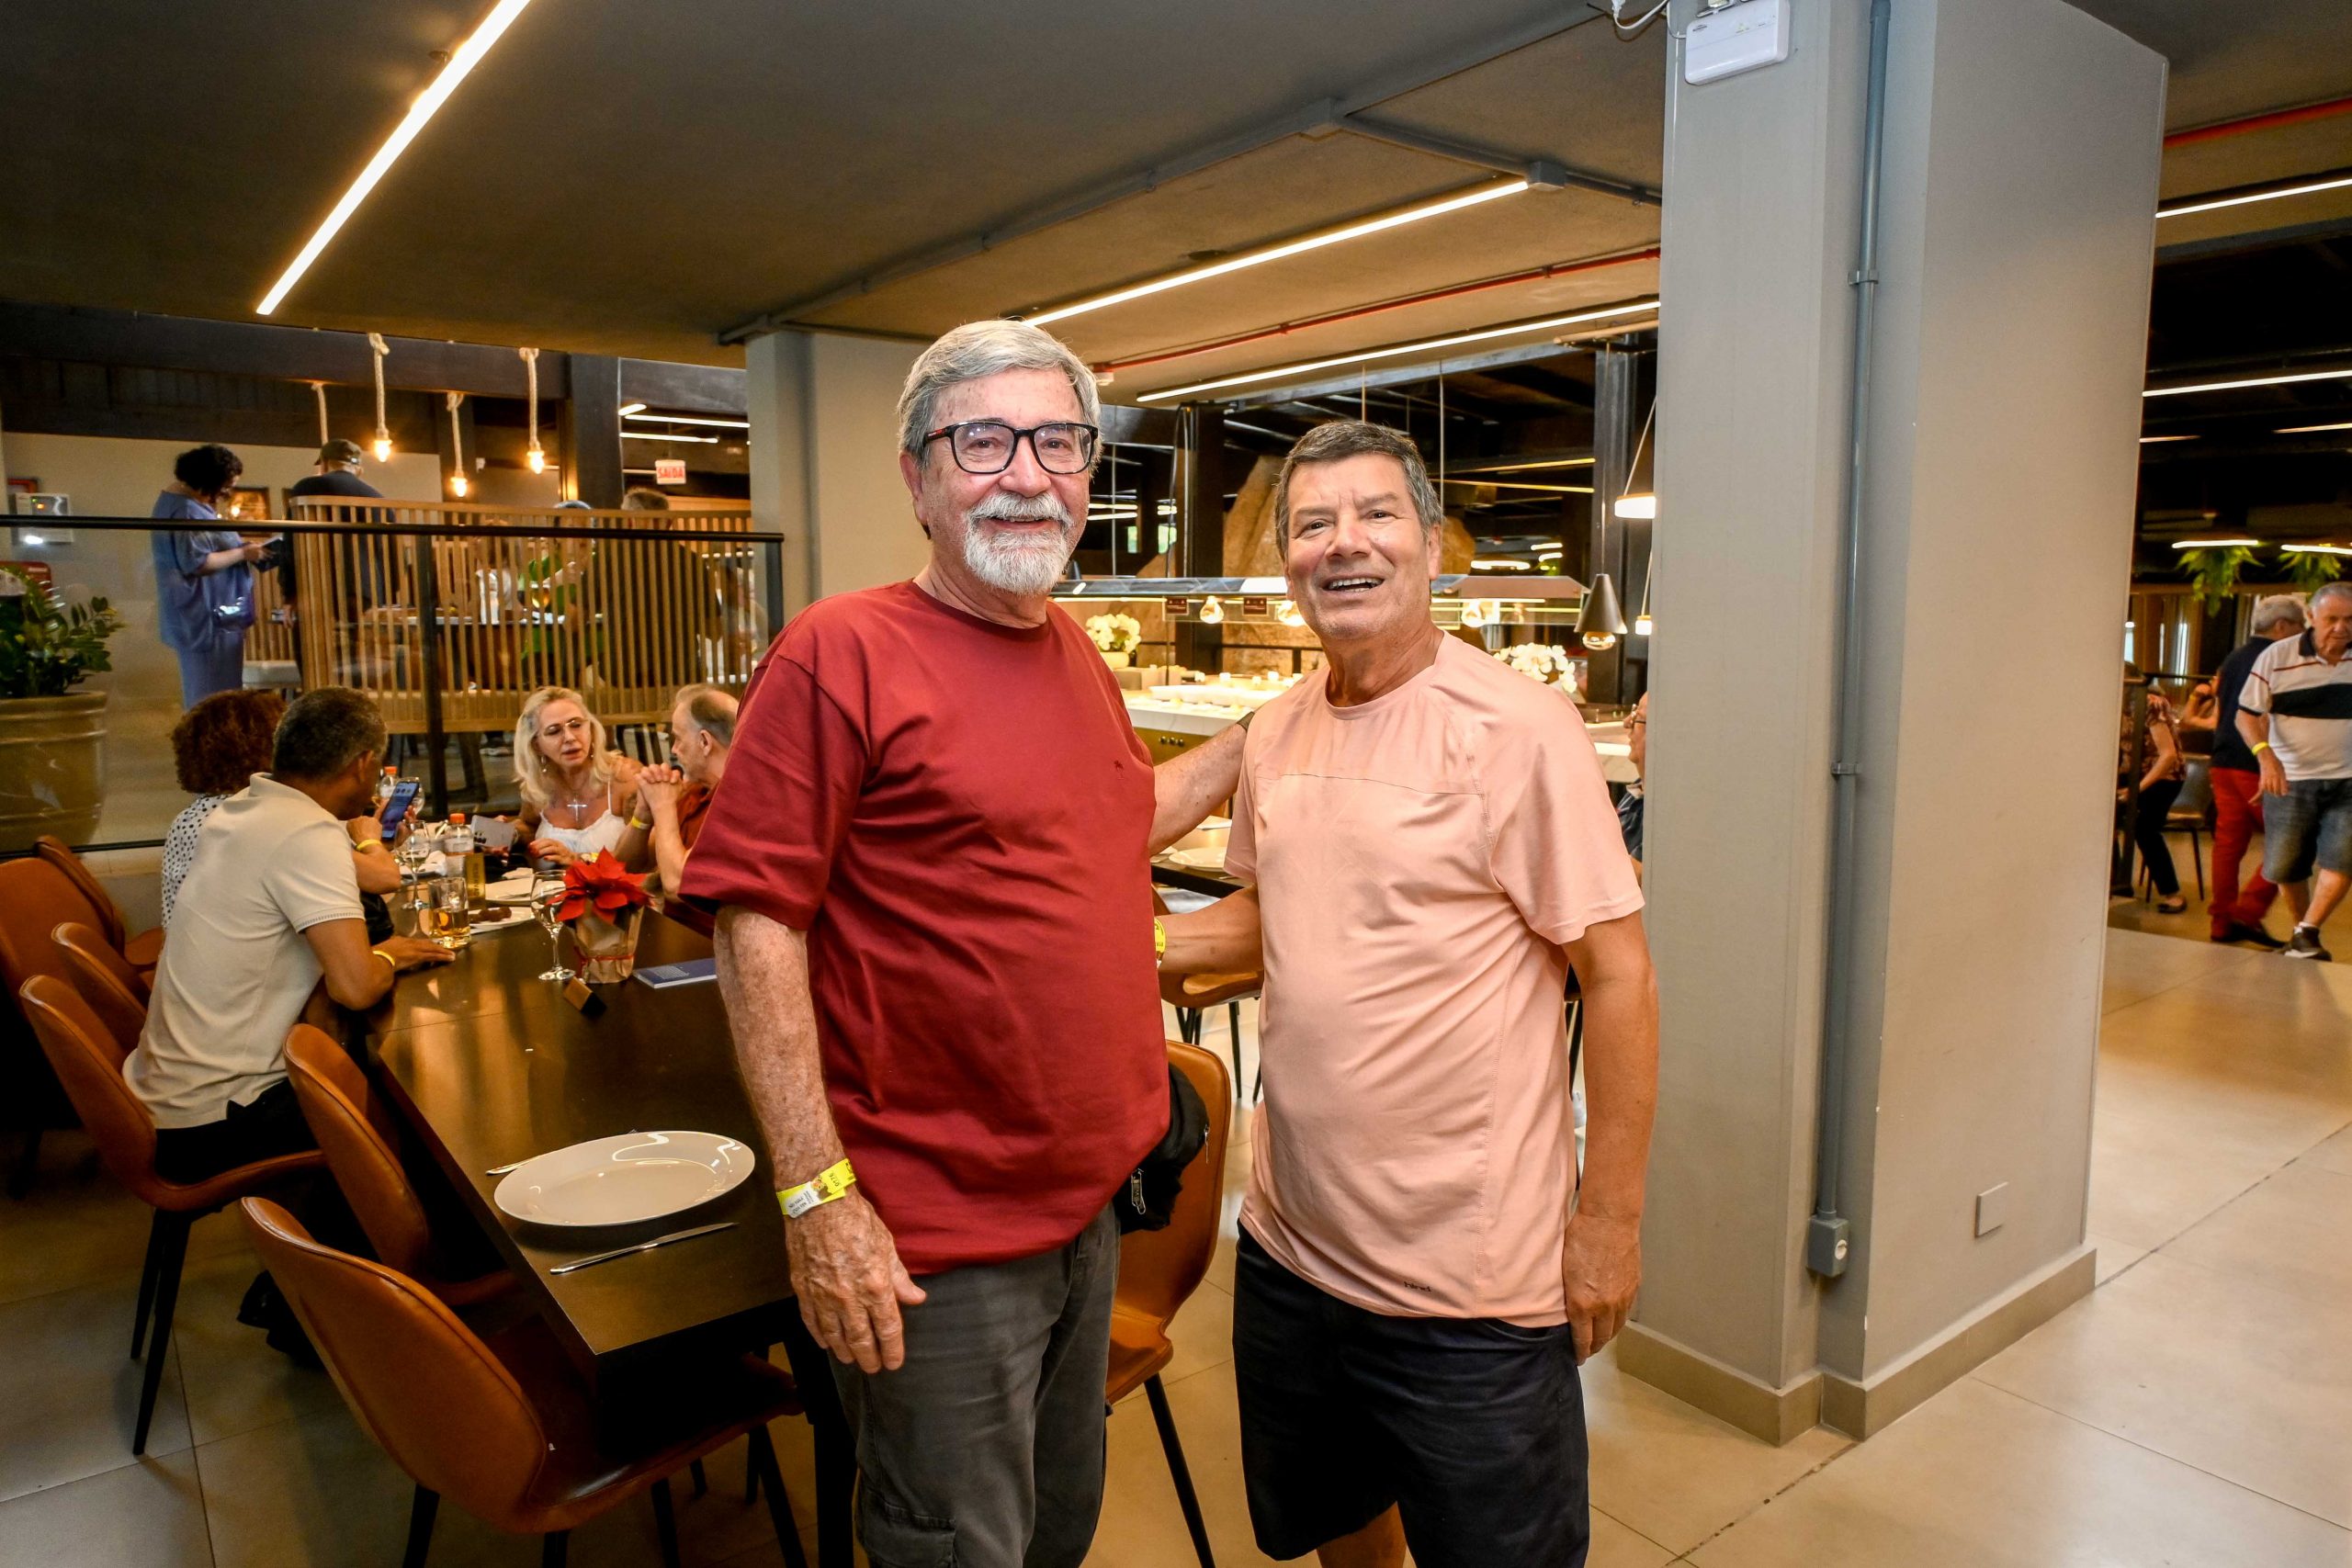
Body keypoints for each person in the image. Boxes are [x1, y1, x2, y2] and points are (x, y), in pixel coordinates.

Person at [680, 319, 1243, 1568]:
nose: (1027, 475)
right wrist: (818, 1199)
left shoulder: (1074, 653)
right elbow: (756, 920)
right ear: (918, 477)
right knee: (955, 1546)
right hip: (933, 1235)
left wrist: (1266, 735)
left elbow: (1115, 817)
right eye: (983, 442)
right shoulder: (841, 651)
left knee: (1053, 1527)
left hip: (1091, 1208)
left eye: (1059, 443)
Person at [1159, 421, 1657, 1568]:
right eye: (1312, 523)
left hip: (1466, 1287)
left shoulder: (1518, 730)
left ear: (1431, 546)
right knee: (1339, 1529)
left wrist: (1608, 1224)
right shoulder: (1277, 729)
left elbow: (1620, 976)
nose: (1344, 543)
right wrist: (1094, 951)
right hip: (1290, 1247)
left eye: (1376, 514)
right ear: (1287, 560)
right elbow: (1271, 923)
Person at [126, 687, 453, 1184]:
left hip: (166, 1096)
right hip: (219, 1115)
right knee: (424, 1115)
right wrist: (387, 957)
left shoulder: (243, 807)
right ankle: (394, 1231)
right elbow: (356, 987)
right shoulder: (306, 832)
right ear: (363, 764)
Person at [162, 690, 413, 928]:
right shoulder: (258, 820)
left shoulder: (191, 818)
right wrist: (370, 843)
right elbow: (382, 877)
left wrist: (376, 844)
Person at [2239, 581, 2352, 961]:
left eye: (2350, 619)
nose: (2341, 628)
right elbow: (2246, 715)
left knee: (2344, 858)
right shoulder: (2277, 656)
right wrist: (2265, 758)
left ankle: (2307, 931)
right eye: (2332, 619)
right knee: (2286, 865)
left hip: (2348, 779)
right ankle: (2304, 938)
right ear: (2311, 617)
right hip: (2291, 777)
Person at [2206, 595, 2303, 947]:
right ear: (2282, 626)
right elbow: (2269, 715)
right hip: (2258, 763)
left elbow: (2224, 710)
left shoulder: (2233, 658)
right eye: (2300, 626)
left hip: (2223, 761)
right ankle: (2247, 913)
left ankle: (2221, 923)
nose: (2303, 634)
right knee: (2293, 840)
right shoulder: (2280, 658)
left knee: (2228, 845)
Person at [151, 444, 267, 706]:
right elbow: (198, 562)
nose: (226, 494)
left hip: (208, 616)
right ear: (206, 481)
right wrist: (243, 553)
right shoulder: (187, 510)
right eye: (225, 487)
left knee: (211, 693)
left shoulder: (179, 503)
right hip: (208, 619)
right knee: (214, 698)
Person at [510, 685, 647, 869]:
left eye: (576, 725)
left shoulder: (626, 777)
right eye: (554, 731)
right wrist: (510, 835)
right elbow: (529, 825)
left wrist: (578, 859)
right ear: (536, 745)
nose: (569, 737)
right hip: (549, 887)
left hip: (617, 887)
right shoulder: (539, 785)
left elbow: (644, 858)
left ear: (591, 729)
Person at [633, 683, 737, 898]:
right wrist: (642, 815)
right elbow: (628, 866)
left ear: (705, 742)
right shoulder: (692, 792)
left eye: (678, 738)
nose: (673, 749)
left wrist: (662, 807)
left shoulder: (737, 802)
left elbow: (678, 886)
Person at [271, 437, 386, 621]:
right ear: (358, 468)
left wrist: (290, 594)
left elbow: (292, 544)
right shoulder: (377, 497)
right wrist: (382, 596)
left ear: (324, 463)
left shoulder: (306, 488)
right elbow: (390, 551)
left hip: (317, 591)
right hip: (367, 594)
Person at [2132, 690, 2188, 914]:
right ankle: (2114, 884)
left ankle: (2172, 892)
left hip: (2165, 775)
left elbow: (2168, 756)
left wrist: (2136, 790)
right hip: (2131, 772)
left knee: (2145, 829)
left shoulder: (2151, 703)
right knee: (2103, 821)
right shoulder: (2106, 700)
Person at [1619, 691, 1648, 883]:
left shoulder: (1669, 811)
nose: (1626, 723)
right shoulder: (1636, 791)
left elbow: (1633, 878)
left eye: (1637, 717)